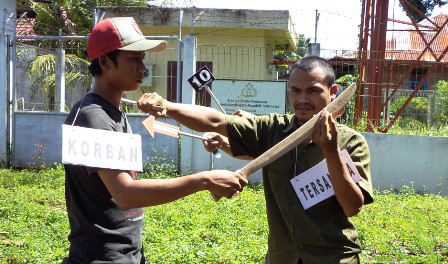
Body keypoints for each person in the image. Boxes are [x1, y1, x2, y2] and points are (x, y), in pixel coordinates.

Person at [137, 56, 374, 264]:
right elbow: (217, 121)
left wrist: (330, 151)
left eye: (312, 90)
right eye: (295, 90)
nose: (302, 99)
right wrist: (168, 107)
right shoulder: (273, 129)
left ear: (332, 93)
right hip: (282, 256)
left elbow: (352, 206)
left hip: (333, 257)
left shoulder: (351, 142)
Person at [62, 17, 247, 263]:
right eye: (134, 59)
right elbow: (126, 194)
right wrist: (204, 180)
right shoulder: (92, 116)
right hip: (102, 255)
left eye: (143, 59)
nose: (143, 68)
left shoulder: (111, 111)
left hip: (125, 251)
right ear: (105, 61)